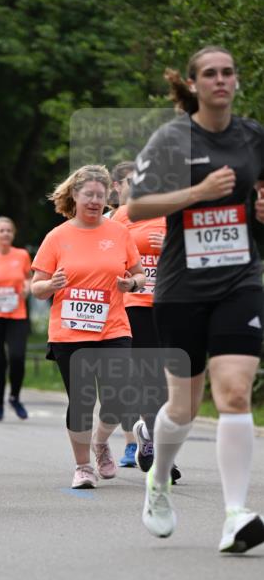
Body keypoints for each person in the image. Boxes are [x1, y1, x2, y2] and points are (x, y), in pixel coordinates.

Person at [129, 45, 264, 553]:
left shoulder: (252, 136)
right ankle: (158, 481)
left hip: (239, 279)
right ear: (193, 84)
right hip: (182, 287)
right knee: (183, 407)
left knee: (233, 393)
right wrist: (197, 192)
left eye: (228, 72)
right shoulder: (173, 138)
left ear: (237, 81)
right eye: (210, 73)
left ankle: (235, 515)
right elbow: (136, 204)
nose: (221, 80)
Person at [31, 164, 144, 488]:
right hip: (69, 331)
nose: (95, 200)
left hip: (113, 326)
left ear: (108, 196)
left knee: (119, 394)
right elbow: (35, 287)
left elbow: (139, 274)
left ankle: (100, 442)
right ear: (75, 196)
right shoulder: (58, 236)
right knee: (81, 401)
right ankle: (83, 466)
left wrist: (131, 285)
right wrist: (51, 283)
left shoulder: (119, 233)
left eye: (100, 195)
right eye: (88, 194)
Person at [110, 163, 179, 480]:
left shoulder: (173, 214)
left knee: (169, 384)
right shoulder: (123, 216)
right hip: (135, 304)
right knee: (148, 378)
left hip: (170, 304)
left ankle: (151, 436)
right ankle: (155, 445)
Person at [0, 215, 32, 421]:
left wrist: (27, 287)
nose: (5, 234)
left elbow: (28, 277)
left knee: (18, 357)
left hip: (16, 314)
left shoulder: (22, 255)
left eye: (9, 230)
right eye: (1, 230)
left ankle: (15, 397)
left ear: (13, 234)